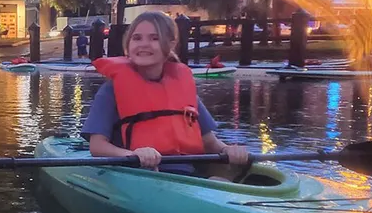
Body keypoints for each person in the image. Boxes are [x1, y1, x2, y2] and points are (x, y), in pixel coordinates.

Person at [82, 11, 249, 179]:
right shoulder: (111, 90)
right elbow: (97, 147)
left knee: (221, 179)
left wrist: (228, 149)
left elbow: (210, 143)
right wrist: (133, 155)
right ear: (128, 43)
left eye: (154, 38)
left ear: (170, 44)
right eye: (137, 38)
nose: (144, 44)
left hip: (187, 176)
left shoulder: (183, 88)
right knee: (216, 182)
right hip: (138, 174)